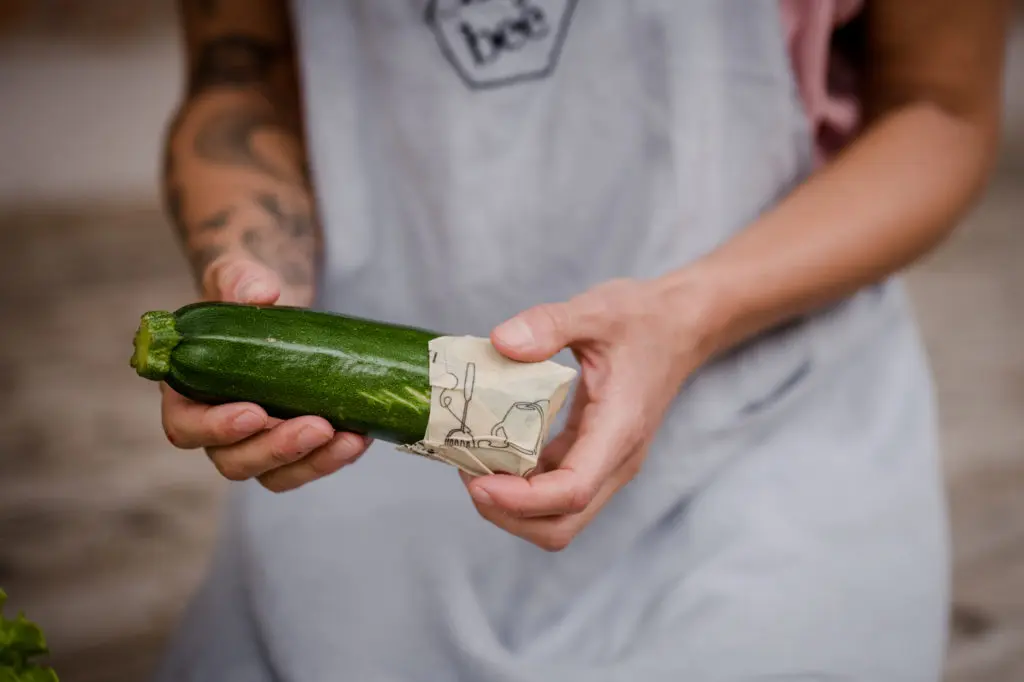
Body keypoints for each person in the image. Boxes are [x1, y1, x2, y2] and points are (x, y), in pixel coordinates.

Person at [150, 1, 1010, 680]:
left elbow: (938, 105)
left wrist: (688, 313)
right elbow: (240, 79)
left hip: (761, 447)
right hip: (369, 471)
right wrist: (255, 287)